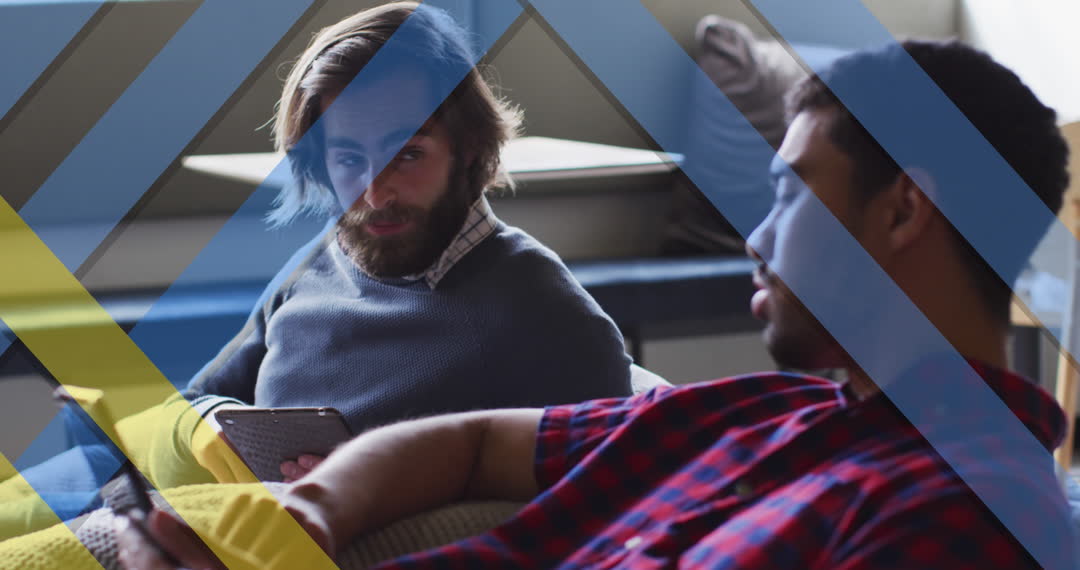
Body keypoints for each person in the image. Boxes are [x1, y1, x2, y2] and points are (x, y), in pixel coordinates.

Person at [108, 38, 1077, 569]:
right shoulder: (753, 413)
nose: (757, 236)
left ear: (903, 210)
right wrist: (308, 515)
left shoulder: (961, 519)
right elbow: (475, 443)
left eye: (791, 195)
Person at [0, 0, 632, 538]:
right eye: (348, 158)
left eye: (408, 154)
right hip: (179, 499)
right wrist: (219, 429)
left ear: (467, 149)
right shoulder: (323, 262)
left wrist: (363, 486)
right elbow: (195, 403)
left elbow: (614, 497)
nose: (375, 194)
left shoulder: (540, 309)